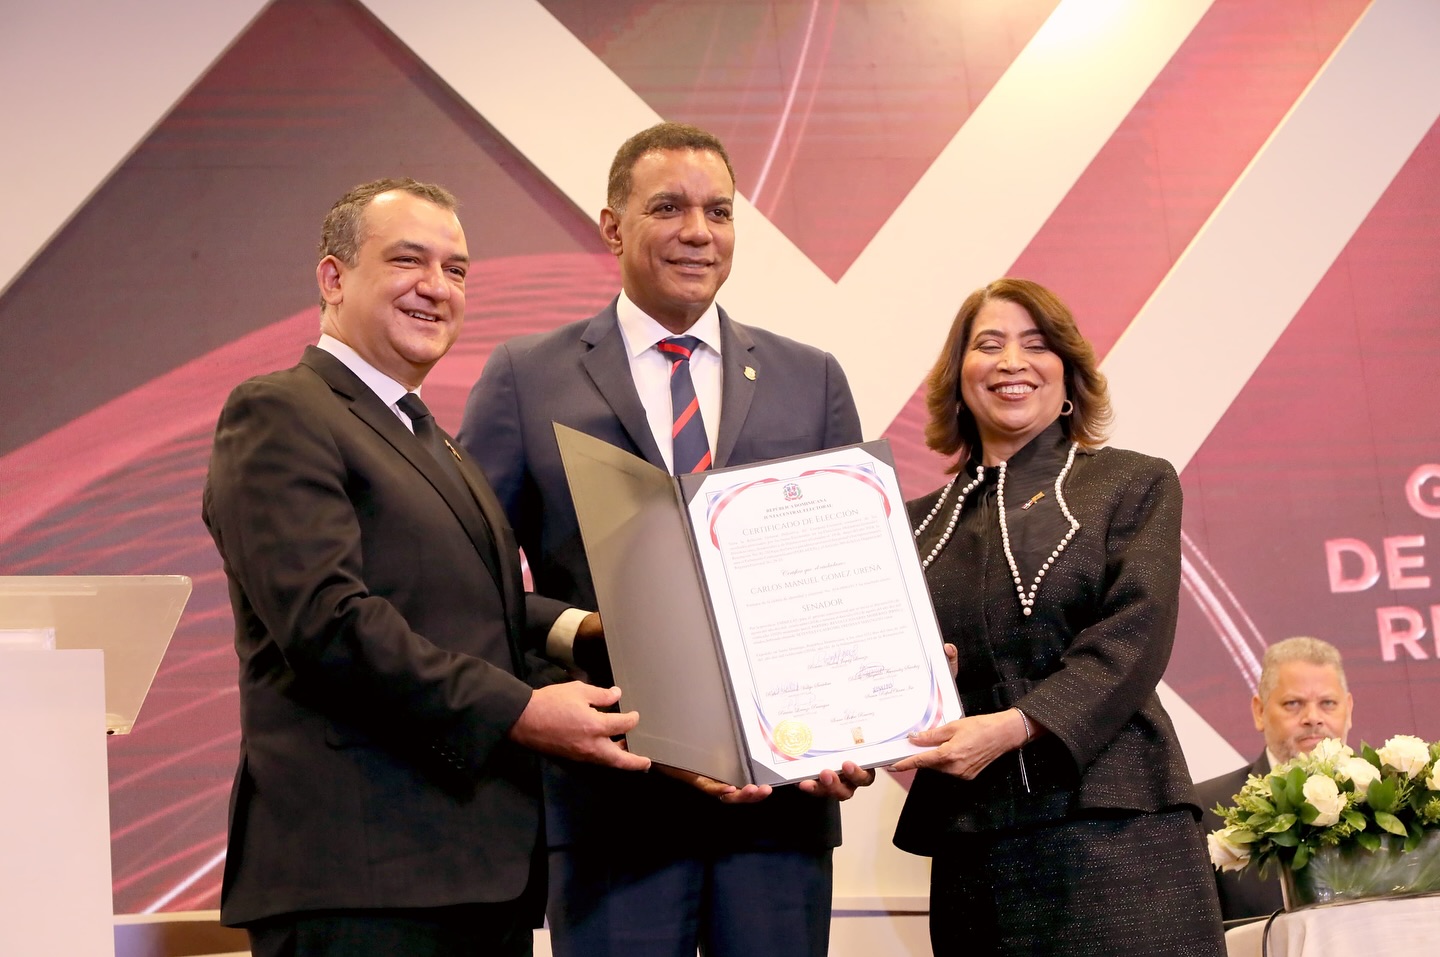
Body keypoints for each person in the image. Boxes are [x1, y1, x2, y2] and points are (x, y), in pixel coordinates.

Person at [202, 178, 650, 957]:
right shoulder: (281, 411)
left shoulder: (430, 438)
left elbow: (475, 607)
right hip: (361, 881)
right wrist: (522, 710)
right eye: (408, 260)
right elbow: (329, 622)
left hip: (477, 876)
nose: (437, 287)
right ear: (333, 277)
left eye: (457, 269)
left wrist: (591, 632)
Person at [458, 122, 869, 957]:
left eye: (719, 211)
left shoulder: (811, 377)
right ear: (613, 228)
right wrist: (580, 631)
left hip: (781, 805)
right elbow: (471, 581)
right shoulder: (526, 376)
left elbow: (849, 579)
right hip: (611, 805)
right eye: (669, 208)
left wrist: (856, 720)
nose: (698, 232)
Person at [891, 278, 1225, 956]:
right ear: (959, 377)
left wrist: (1014, 725)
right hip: (973, 848)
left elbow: (1134, 634)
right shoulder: (909, 526)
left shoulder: (1132, 482)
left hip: (1116, 826)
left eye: (1036, 345)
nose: (1012, 361)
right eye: (989, 345)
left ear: (1068, 375)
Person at [1195, 636, 1354, 921]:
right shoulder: (1204, 811)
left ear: (1349, 710)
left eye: (1328, 703)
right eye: (1293, 703)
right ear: (1260, 711)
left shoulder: (1392, 805)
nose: (1313, 717)